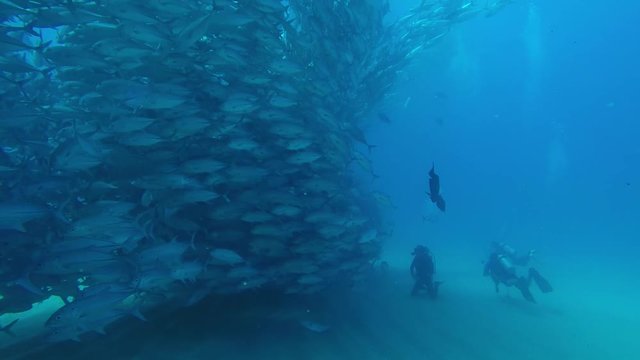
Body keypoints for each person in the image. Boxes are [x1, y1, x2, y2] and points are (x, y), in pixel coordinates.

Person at [483, 243, 553, 303]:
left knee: (523, 286)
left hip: (508, 281)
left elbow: (485, 274)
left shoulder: (489, 262)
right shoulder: (503, 259)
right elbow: (512, 266)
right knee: (523, 285)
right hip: (513, 276)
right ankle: (530, 273)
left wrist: (490, 271)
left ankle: (530, 274)